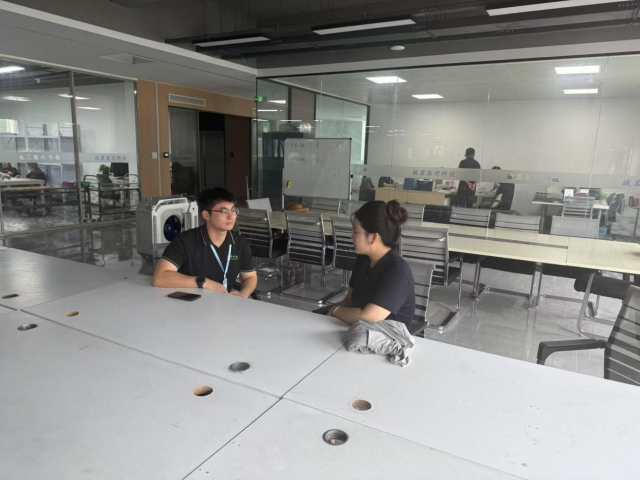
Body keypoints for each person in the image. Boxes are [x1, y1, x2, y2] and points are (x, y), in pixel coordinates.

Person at [325, 200, 416, 330]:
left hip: (383, 337)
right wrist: (331, 314)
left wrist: (335, 311)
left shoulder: (397, 273)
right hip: (354, 329)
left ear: (373, 238)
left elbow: (367, 318)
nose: (351, 237)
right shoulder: (364, 259)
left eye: (356, 231)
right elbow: (349, 301)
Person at [153, 187, 258, 298]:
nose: (231, 216)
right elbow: (159, 278)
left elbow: (250, 277)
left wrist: (243, 294)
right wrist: (203, 282)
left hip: (224, 303)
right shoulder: (185, 241)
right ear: (206, 215)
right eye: (223, 211)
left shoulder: (240, 243)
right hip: (190, 304)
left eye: (233, 210)